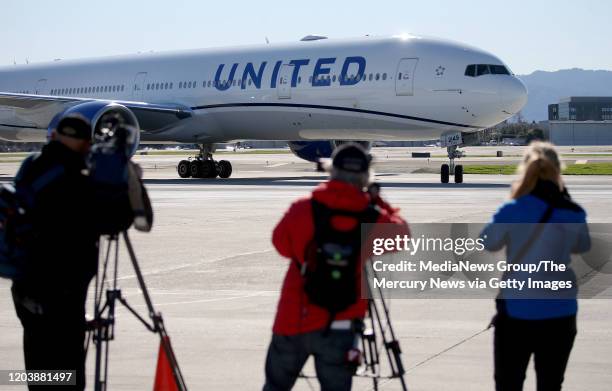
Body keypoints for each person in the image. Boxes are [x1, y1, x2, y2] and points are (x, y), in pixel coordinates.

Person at [263, 143, 408, 391]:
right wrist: (377, 200)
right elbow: (402, 235)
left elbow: (280, 244)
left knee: (276, 387)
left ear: (332, 171)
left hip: (294, 319)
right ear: (365, 176)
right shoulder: (372, 218)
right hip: (340, 324)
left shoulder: (303, 209)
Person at [11, 115, 133, 390]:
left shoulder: (32, 167)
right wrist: (121, 183)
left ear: (53, 137)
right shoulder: (77, 178)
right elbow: (118, 221)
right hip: (60, 291)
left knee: (39, 365)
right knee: (66, 372)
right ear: (85, 143)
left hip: (28, 287)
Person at [481, 142, 591, 391]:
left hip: (517, 312)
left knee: (508, 383)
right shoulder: (572, 211)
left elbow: (488, 241)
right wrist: (565, 201)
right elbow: (582, 246)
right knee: (551, 384)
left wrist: (515, 201)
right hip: (560, 312)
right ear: (557, 171)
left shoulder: (513, 209)